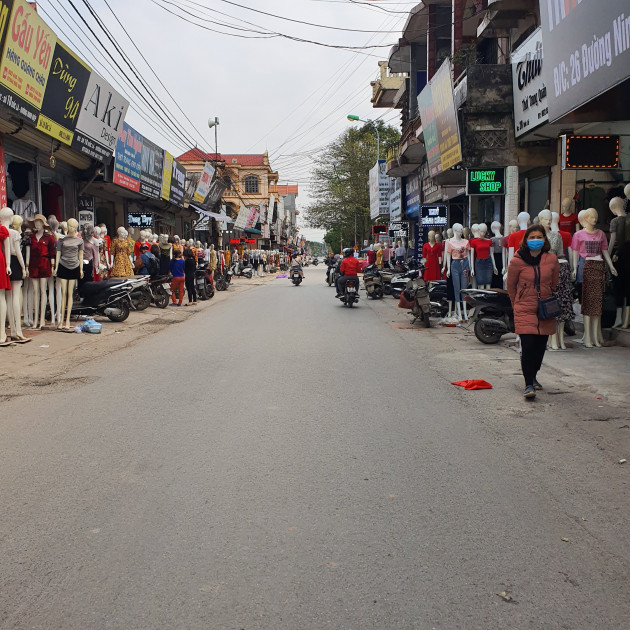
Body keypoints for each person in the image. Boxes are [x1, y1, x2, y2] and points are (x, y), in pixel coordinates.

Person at [507, 225, 559, 399]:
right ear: (526, 240)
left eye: (539, 237)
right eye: (532, 237)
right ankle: (528, 383)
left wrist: (546, 294)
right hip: (524, 307)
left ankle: (534, 375)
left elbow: (554, 281)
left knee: (540, 346)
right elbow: (511, 285)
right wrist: (516, 303)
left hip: (545, 307)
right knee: (528, 345)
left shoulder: (551, 259)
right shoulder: (517, 260)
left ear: (544, 239)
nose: (536, 240)